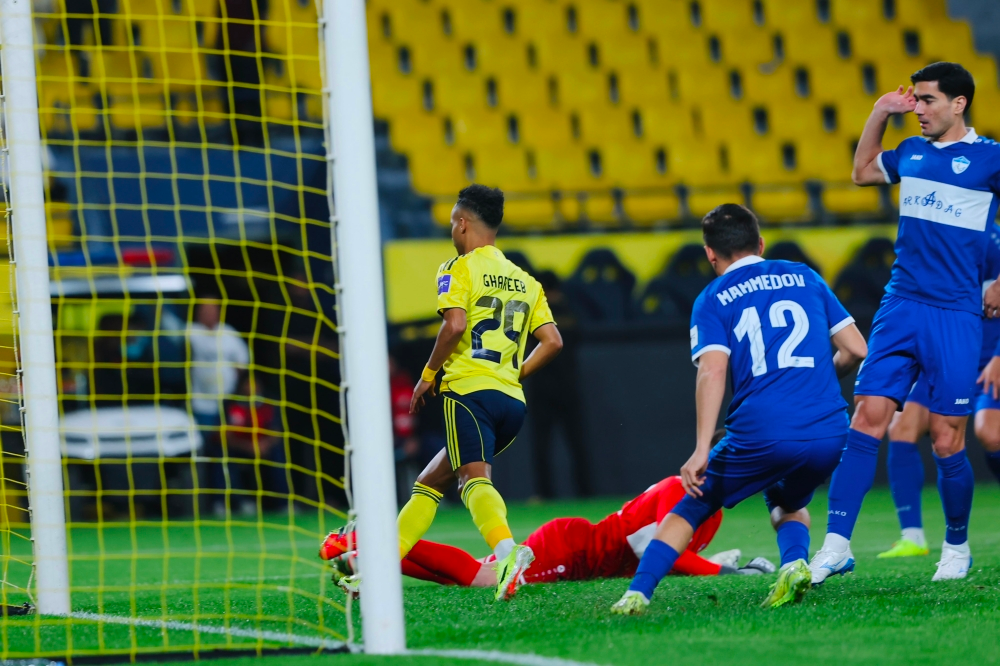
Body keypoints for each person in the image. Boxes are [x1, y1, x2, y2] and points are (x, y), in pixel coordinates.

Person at [610, 204, 867, 615]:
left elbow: (713, 371)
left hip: (763, 430)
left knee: (692, 505)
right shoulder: (806, 276)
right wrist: (817, 381)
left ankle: (637, 593)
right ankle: (794, 565)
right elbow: (856, 349)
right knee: (787, 498)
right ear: (760, 243)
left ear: (711, 255)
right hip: (830, 431)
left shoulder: (712, 298)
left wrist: (699, 449)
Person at [812, 62, 1000, 584]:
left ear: (959, 103)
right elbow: (862, 171)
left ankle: (956, 546)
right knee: (868, 415)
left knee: (946, 439)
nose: (917, 109)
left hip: (956, 315)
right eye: (914, 100)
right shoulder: (911, 154)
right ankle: (835, 544)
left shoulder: (991, 158)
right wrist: (878, 114)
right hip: (901, 304)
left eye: (927, 100)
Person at [396, 184, 564, 601]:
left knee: (472, 479)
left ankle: (508, 553)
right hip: (511, 402)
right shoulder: (527, 281)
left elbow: (453, 326)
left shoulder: (458, 267)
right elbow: (554, 341)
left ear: (462, 223)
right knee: (430, 481)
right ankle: (374, 566)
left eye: (453, 222)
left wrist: (428, 374)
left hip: (468, 392)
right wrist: (515, 372)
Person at [321, 439, 776, 591]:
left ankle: (363, 549)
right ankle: (366, 544)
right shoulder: (685, 490)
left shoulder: (707, 505)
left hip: (582, 550)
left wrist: (722, 565)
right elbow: (648, 547)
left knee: (472, 575)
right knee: (482, 579)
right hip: (573, 551)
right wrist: (720, 573)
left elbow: (662, 551)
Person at [879, 223, 1000, 558]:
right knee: (901, 427)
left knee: (990, 435)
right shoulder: (935, 232)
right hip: (948, 355)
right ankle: (913, 536)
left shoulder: (990, 240)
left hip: (989, 357)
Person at [187, 298, 250, 466]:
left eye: (213, 309)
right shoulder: (190, 332)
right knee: (203, 453)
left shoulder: (229, 334)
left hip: (227, 406)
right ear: (198, 312)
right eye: (205, 310)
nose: (209, 313)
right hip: (201, 406)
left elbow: (243, 364)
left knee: (227, 455)